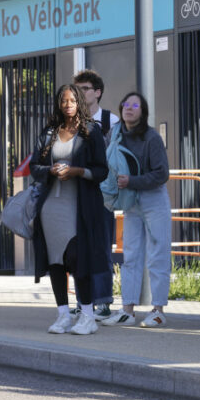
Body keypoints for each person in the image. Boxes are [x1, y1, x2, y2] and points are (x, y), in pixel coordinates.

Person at [30, 84, 111, 335]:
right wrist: (50, 170)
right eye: (63, 101)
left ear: (79, 103)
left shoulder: (91, 132)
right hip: (51, 207)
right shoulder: (49, 132)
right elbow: (34, 167)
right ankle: (63, 314)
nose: (67, 105)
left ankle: (87, 316)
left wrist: (76, 171)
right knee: (55, 261)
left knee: (77, 258)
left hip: (80, 206)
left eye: (72, 100)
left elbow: (102, 170)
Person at [101, 92, 172, 328]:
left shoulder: (152, 137)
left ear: (143, 112)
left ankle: (158, 310)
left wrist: (131, 181)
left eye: (135, 105)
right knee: (130, 255)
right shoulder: (115, 134)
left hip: (153, 199)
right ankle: (127, 310)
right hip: (130, 201)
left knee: (157, 254)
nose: (129, 108)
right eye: (125, 104)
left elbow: (162, 174)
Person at [73, 68, 121, 320]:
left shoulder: (110, 121)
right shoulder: (69, 120)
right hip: (76, 193)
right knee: (78, 248)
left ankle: (102, 302)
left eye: (85, 89)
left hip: (102, 195)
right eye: (77, 90)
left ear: (98, 92)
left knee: (101, 247)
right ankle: (84, 302)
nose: (80, 94)